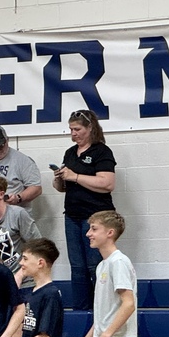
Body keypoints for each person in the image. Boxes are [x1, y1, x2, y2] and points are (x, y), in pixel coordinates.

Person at [52, 109, 117, 310]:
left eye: (77, 129)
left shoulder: (102, 151)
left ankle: (102, 309)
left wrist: (75, 176)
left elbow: (107, 183)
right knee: (77, 266)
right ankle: (81, 310)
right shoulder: (70, 153)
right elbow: (63, 187)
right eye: (71, 129)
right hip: (72, 215)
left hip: (96, 216)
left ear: (90, 128)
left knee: (94, 264)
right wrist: (59, 179)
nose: (74, 134)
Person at [0, 174, 42, 288]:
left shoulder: (18, 214)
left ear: (1, 194)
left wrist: (20, 275)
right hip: (7, 282)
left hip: (28, 282)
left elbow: (38, 246)